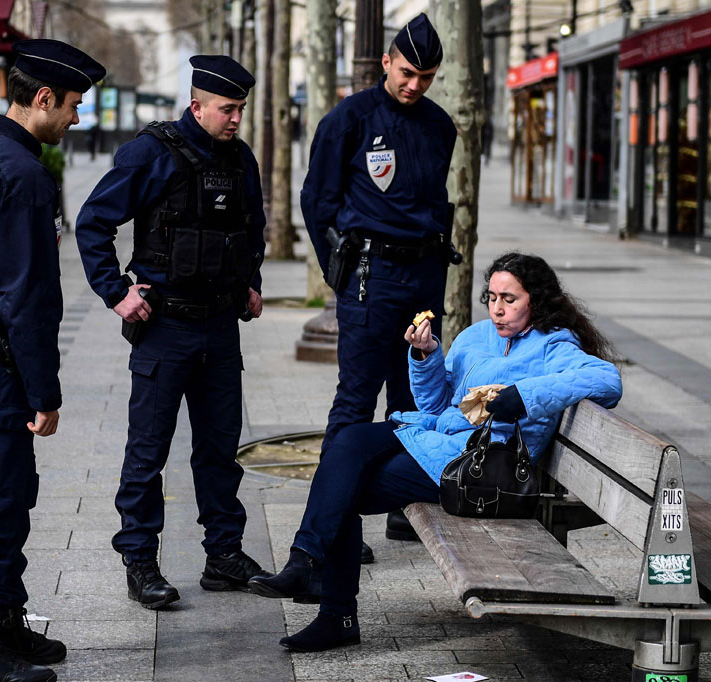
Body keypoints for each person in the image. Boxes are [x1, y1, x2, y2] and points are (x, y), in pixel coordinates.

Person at [248, 252, 623, 652]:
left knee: (342, 488)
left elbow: (607, 379)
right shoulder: (477, 336)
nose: (497, 309)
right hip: (441, 441)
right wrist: (426, 355)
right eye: (492, 297)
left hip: (481, 468)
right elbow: (437, 403)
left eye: (510, 299)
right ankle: (307, 566)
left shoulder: (554, 344)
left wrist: (524, 395)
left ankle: (327, 603)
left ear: (538, 300)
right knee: (347, 443)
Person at [0, 39, 105, 682]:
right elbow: (26, 296)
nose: (76, 118)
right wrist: (44, 391)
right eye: (72, 105)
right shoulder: (24, 176)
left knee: (9, 489)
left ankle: (4, 620)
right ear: (43, 99)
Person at [75, 55, 268, 610]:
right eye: (227, 109)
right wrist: (116, 292)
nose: (236, 119)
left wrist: (251, 282)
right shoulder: (151, 152)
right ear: (196, 106)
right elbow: (93, 222)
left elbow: (252, 228)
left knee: (220, 450)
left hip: (220, 327)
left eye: (241, 109)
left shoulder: (240, 159)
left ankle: (223, 554)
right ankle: (140, 561)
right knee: (148, 452)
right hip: (164, 327)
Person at [301, 13, 459, 554]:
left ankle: (400, 508)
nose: (414, 85)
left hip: (424, 278)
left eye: (426, 77)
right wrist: (340, 276)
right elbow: (316, 201)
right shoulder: (349, 118)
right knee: (355, 401)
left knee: (413, 398)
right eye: (407, 73)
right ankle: (333, 530)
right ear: (387, 61)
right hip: (371, 278)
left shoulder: (441, 126)